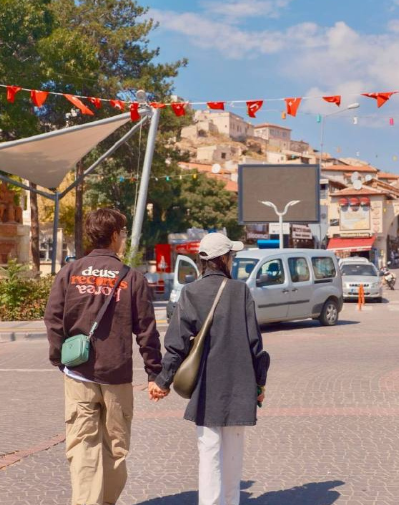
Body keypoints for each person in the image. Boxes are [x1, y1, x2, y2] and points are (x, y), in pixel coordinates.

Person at [44, 208, 163, 505]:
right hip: (116, 375)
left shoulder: (70, 272)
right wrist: (154, 372)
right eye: (122, 233)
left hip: (78, 374)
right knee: (115, 447)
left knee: (83, 444)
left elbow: (53, 318)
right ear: (113, 236)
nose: (123, 238)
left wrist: (61, 359)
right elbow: (146, 329)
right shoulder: (131, 278)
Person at [153, 232, 270, 505]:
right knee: (232, 457)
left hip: (206, 386)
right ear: (225, 259)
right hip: (239, 385)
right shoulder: (240, 291)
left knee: (209, 455)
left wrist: (163, 381)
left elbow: (176, 344)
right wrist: (259, 385)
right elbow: (256, 344)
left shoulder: (190, 292)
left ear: (204, 261)